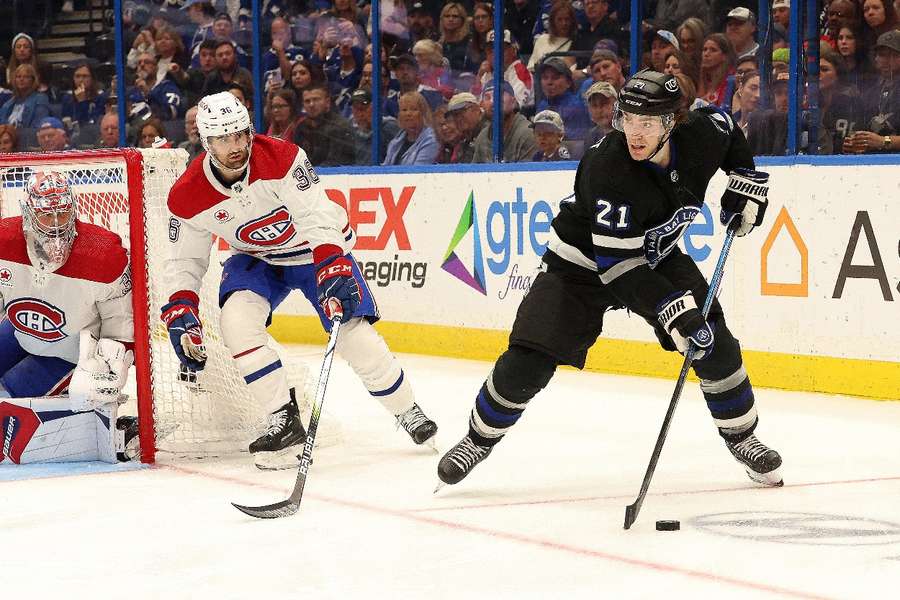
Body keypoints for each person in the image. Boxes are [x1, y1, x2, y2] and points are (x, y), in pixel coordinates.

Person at [437, 70, 783, 490]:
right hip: (580, 267)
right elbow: (619, 268)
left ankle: (743, 436)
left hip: (657, 254)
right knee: (529, 360)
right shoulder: (607, 167)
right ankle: (478, 439)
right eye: (628, 121)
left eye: (648, 124)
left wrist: (745, 182)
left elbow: (730, 134)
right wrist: (674, 312)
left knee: (713, 340)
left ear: (673, 122)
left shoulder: (702, 132)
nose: (635, 134)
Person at [161, 92, 438, 468]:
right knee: (237, 324)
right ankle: (283, 419)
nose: (236, 146)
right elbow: (186, 261)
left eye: (241, 134)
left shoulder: (282, 157)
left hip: (312, 250)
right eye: (223, 139)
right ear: (206, 143)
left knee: (353, 335)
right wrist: (181, 307)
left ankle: (408, 410)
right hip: (256, 257)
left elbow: (317, 216)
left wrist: (331, 263)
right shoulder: (187, 195)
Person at [0, 171, 133, 407]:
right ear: (29, 212)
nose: (55, 223)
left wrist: (108, 362)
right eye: (45, 214)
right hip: (19, 331)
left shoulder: (103, 254)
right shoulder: (4, 241)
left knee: (5, 401)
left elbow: (120, 317)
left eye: (62, 213)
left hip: (70, 353)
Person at [471, 81, 538, 162]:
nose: (492, 102)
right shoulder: (483, 137)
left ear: (513, 102)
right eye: (487, 97)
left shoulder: (528, 133)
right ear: (482, 105)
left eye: (498, 95)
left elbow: (529, 173)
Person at [293, 84, 356, 166]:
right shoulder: (301, 127)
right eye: (307, 101)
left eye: (316, 100)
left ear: (327, 102)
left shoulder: (340, 126)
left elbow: (334, 163)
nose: (311, 104)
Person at [472, 29, 534, 109]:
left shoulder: (521, 72)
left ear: (513, 51)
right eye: (490, 50)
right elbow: (474, 105)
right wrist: (478, 77)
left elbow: (514, 106)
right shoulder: (487, 73)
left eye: (501, 49)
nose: (495, 53)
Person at [535, 58, 592, 142]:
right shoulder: (542, 105)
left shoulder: (577, 106)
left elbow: (577, 145)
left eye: (555, 78)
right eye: (545, 77)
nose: (549, 82)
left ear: (568, 83)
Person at [383, 91, 439, 165]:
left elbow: (418, 171)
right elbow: (385, 168)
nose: (408, 114)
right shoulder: (396, 141)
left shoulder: (432, 140)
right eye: (404, 110)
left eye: (414, 109)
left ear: (423, 113)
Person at [348, 88, 400, 165]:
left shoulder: (389, 127)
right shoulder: (349, 130)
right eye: (356, 109)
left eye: (363, 108)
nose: (360, 114)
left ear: (374, 107)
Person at [445, 91, 488, 163]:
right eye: (454, 115)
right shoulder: (465, 138)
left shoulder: (489, 131)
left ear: (476, 109)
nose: (458, 118)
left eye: (461, 112)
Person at [583, 80, 617, 146]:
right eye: (594, 105)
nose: (599, 110)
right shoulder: (591, 137)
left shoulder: (630, 132)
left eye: (604, 103)